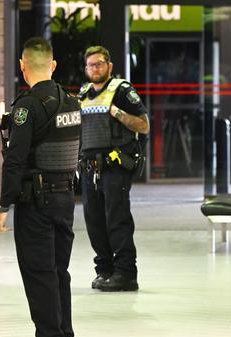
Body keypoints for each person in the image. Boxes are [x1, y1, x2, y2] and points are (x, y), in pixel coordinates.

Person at [0, 37, 81, 337]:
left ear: (22, 66)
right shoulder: (72, 103)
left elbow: (14, 160)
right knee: (59, 272)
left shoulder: (27, 107)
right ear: (53, 65)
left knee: (39, 273)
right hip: (65, 199)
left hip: (37, 202)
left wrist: (4, 205)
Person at [78, 46, 150, 292]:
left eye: (99, 64)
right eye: (90, 65)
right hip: (89, 168)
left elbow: (144, 125)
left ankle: (126, 274)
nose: (95, 69)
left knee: (117, 220)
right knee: (94, 222)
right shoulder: (83, 93)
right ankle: (105, 270)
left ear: (109, 66)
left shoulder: (121, 91)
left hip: (114, 166)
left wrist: (117, 112)